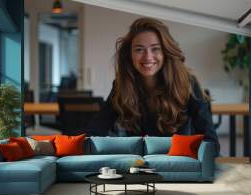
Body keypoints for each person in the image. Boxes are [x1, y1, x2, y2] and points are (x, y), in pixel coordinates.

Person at [85, 17, 219, 149]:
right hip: (139, 166)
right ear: (129, 55)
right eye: (139, 49)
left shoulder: (187, 83)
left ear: (165, 52)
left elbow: (210, 141)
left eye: (155, 49)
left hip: (178, 165)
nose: (148, 57)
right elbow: (96, 130)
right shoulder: (122, 85)